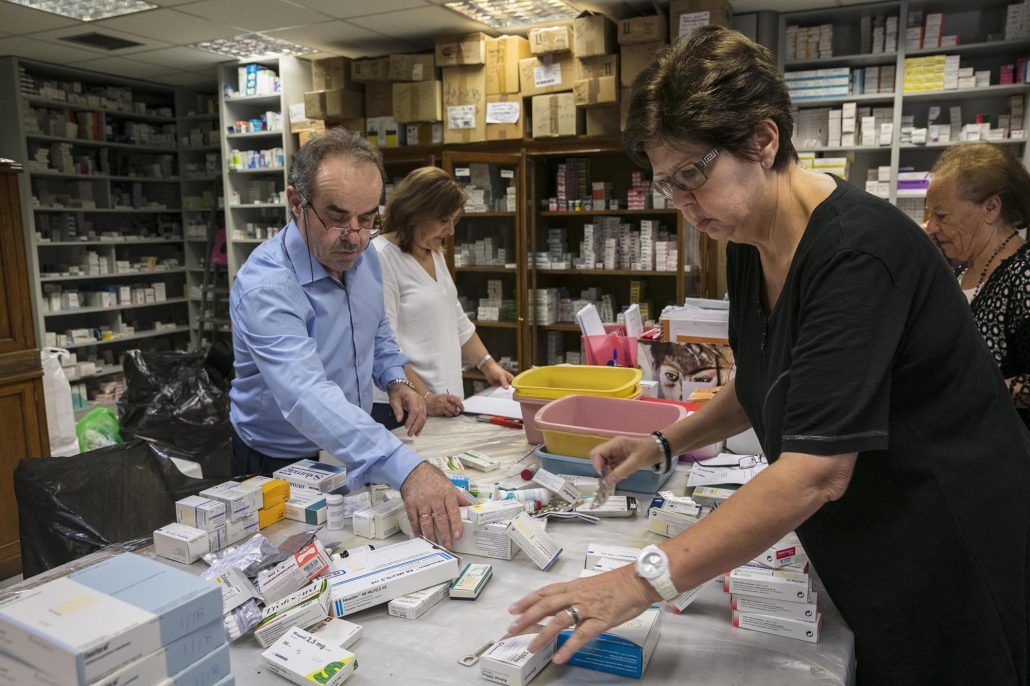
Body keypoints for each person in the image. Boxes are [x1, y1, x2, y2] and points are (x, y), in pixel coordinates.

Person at [507, 27, 1030, 685]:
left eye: (693, 175)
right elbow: (765, 374)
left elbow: (817, 472)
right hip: (870, 538)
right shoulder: (749, 240)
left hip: (949, 543)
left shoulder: (856, 254)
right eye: (667, 184)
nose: (683, 205)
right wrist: (665, 443)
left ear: (763, 140)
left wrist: (641, 581)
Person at [229, 128, 469, 546]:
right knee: (290, 570)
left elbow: (377, 329)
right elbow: (306, 395)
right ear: (296, 203)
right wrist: (407, 468)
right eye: (337, 218)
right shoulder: (267, 287)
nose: (355, 237)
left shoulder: (364, 257)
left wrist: (395, 378)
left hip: (348, 444)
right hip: (279, 462)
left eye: (368, 219)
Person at [370, 167, 513, 426]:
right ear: (415, 212)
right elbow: (385, 345)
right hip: (404, 407)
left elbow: (456, 319)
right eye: (444, 220)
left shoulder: (434, 253)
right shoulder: (381, 257)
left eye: (454, 221)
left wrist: (488, 365)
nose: (451, 231)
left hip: (444, 401)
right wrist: (424, 397)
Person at [924, 142, 1030, 428]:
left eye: (941, 216)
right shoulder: (958, 274)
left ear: (991, 208)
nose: (931, 227)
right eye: (929, 215)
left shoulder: (1023, 276)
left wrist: (972, 392)